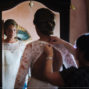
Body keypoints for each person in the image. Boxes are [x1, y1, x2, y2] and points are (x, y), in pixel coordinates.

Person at [2, 19, 26, 89]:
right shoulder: (2, 44)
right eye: (9, 30)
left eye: (14, 30)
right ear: (5, 31)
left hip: (16, 76)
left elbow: (24, 62)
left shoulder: (21, 44)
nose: (12, 32)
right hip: (4, 76)